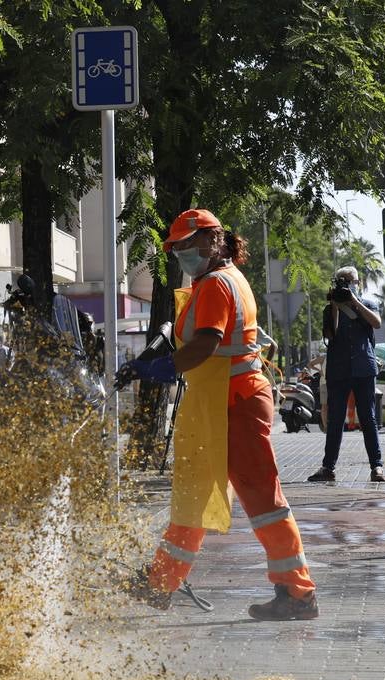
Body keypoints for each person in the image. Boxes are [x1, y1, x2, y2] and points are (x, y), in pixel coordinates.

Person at [128, 209, 318, 622]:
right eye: (176, 247)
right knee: (197, 491)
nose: (181, 253)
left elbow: (208, 344)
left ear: (213, 240)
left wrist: (164, 367)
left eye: (187, 245)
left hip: (235, 402)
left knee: (263, 500)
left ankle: (298, 592)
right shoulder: (221, 279)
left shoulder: (216, 283)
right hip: (225, 400)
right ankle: (161, 581)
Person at [307, 266, 384, 483]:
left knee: (368, 418)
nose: (346, 284)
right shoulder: (329, 308)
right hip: (338, 370)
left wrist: (354, 302)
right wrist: (335, 307)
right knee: (335, 419)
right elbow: (330, 334)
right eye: (342, 280)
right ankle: (328, 467)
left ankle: (376, 467)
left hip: (363, 367)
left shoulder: (368, 304)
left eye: (350, 281)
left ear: (357, 283)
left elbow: (376, 323)